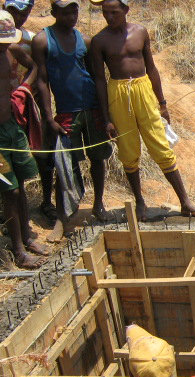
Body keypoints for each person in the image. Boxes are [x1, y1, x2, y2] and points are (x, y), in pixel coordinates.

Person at [91, 0, 195, 224]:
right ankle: (139, 201)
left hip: (143, 89)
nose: (109, 17)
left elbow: (152, 68)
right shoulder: (100, 41)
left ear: (126, 10)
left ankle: (185, 202)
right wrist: (107, 119)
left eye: (114, 12)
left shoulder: (140, 32)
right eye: (105, 13)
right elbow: (99, 80)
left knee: (161, 146)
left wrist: (162, 103)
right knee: (128, 151)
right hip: (118, 93)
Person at [32, 0, 111, 240]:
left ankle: (98, 204)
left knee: (97, 158)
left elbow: (97, 77)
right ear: (54, 12)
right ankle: (63, 217)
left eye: (74, 11)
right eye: (65, 12)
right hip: (67, 111)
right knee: (65, 164)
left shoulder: (85, 41)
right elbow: (42, 81)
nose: (71, 16)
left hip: (92, 108)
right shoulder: (43, 40)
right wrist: (48, 117)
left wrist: (105, 114)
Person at [0, 10, 47, 269]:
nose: (5, 44)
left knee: (21, 182)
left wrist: (23, 88)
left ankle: (27, 237)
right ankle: (18, 250)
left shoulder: (13, 51)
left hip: (13, 127)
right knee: (11, 190)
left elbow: (34, 67)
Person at [4, 0, 56, 224]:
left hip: (29, 104)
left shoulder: (30, 39)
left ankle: (47, 201)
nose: (19, 16)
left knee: (42, 153)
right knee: (10, 159)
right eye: (14, 11)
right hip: (6, 111)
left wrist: (25, 88)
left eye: (23, 12)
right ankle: (12, 210)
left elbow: (39, 71)